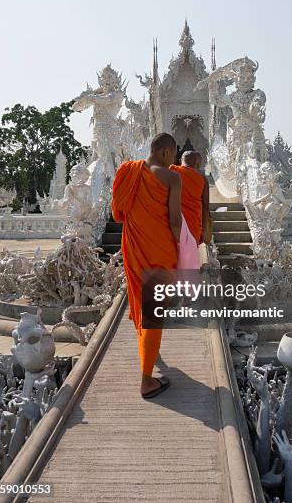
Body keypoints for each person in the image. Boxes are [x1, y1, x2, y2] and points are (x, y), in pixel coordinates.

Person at [111, 133, 181, 399]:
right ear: (165, 152)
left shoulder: (128, 170)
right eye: (173, 155)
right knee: (154, 311)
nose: (173, 160)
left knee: (142, 302)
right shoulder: (172, 177)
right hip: (159, 248)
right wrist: (185, 250)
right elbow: (175, 221)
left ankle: (147, 349)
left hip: (134, 245)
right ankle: (146, 381)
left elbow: (118, 212)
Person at [170, 151, 210, 245]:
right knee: (189, 256)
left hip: (172, 225)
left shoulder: (172, 170)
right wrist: (204, 230)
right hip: (193, 226)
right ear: (197, 163)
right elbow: (206, 207)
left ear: (180, 160)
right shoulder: (202, 179)